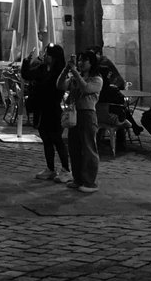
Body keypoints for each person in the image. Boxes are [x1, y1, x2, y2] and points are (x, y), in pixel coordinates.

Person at [27, 43, 71, 183]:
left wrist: (37, 86)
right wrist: (27, 62)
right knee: (46, 139)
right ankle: (50, 169)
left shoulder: (59, 72)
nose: (44, 56)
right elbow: (28, 75)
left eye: (47, 54)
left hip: (53, 109)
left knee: (56, 139)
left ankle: (66, 170)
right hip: (42, 109)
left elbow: (51, 88)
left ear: (54, 57)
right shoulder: (42, 68)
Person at [62, 48, 103, 192]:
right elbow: (60, 85)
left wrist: (74, 72)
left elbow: (85, 88)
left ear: (91, 63)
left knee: (88, 148)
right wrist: (66, 69)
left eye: (84, 60)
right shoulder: (75, 77)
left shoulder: (97, 79)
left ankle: (90, 182)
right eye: (79, 60)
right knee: (74, 147)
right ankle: (77, 178)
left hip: (87, 115)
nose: (80, 63)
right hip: (75, 115)